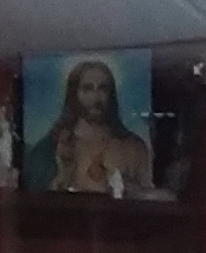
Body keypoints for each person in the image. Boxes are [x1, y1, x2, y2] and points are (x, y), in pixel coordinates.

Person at [24, 57, 153, 197]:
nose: (96, 97)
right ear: (74, 95)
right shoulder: (51, 147)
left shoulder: (133, 146)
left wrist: (127, 186)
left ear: (111, 95)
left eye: (103, 89)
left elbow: (147, 199)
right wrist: (65, 172)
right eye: (87, 89)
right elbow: (37, 199)